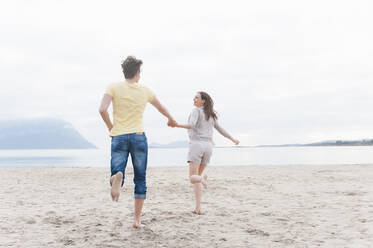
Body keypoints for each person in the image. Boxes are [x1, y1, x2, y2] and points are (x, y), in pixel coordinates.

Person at [99, 56, 177, 228]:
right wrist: (171, 119)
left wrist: (111, 126)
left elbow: (102, 109)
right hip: (138, 136)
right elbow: (161, 107)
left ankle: (115, 178)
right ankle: (136, 220)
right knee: (140, 178)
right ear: (138, 73)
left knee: (117, 170)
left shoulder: (113, 87)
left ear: (124, 71)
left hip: (119, 135)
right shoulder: (145, 91)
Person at [176, 91, 239, 214]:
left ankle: (203, 178)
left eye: (196, 97)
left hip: (197, 145)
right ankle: (198, 208)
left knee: (192, 178)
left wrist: (177, 125)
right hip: (209, 146)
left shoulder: (196, 111)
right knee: (197, 179)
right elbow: (220, 129)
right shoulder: (210, 114)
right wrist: (232, 139)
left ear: (203, 100)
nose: (194, 99)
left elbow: (192, 125)